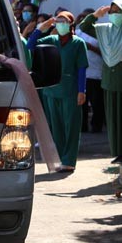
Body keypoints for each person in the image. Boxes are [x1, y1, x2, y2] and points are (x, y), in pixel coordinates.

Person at [79, 0, 122, 164]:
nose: (114, 14)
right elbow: (83, 27)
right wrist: (95, 15)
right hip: (109, 82)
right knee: (114, 120)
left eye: (118, 11)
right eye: (112, 11)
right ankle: (119, 151)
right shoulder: (104, 30)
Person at [27, 11, 88, 173]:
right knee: (56, 127)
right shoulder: (51, 40)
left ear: (71, 25)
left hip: (70, 89)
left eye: (64, 22)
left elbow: (81, 67)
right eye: (58, 21)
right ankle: (60, 159)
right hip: (51, 90)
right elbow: (29, 46)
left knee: (71, 126)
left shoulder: (78, 43)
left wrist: (82, 91)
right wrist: (41, 28)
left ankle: (69, 160)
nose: (61, 24)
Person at [76, 8, 105, 133]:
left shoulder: (99, 32)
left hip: (96, 72)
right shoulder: (78, 32)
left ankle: (96, 126)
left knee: (97, 102)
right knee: (82, 101)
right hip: (83, 72)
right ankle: (82, 126)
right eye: (82, 17)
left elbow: (105, 53)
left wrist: (91, 48)